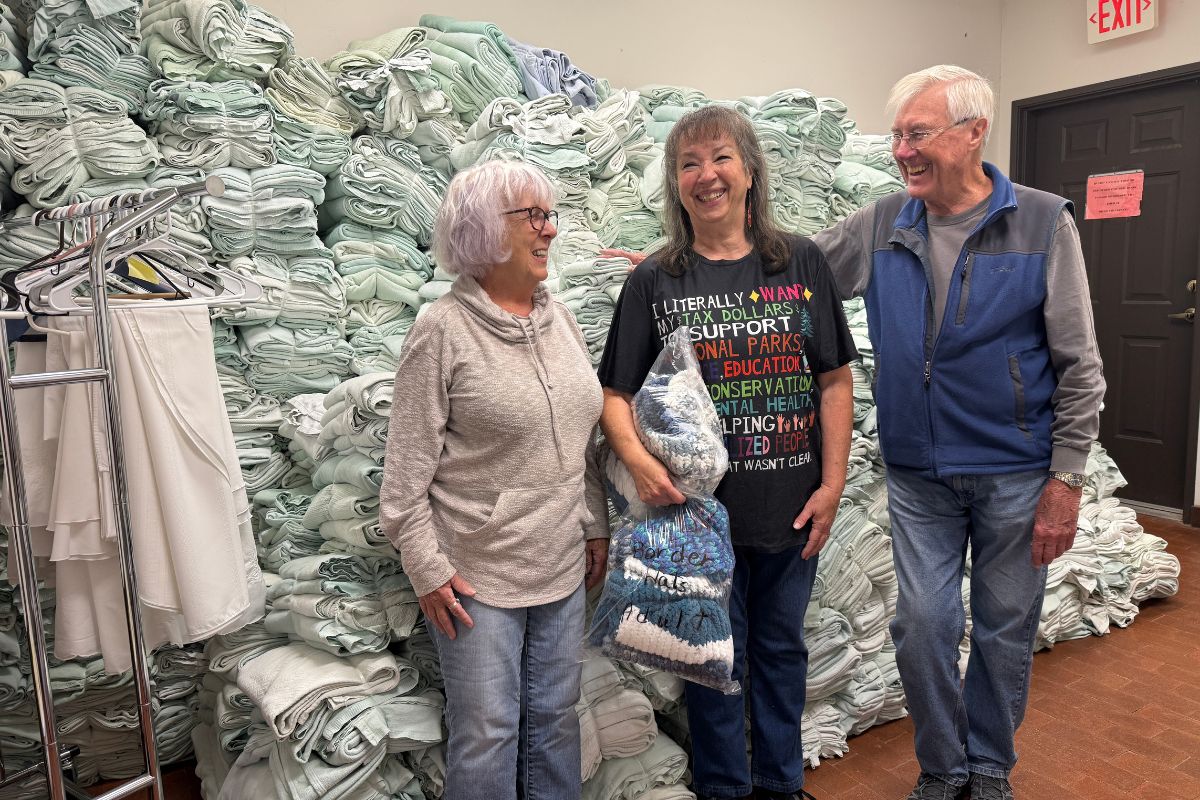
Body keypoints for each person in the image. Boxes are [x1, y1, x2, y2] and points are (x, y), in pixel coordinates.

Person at [813, 65, 1105, 800]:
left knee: (1006, 627)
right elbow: (796, 272)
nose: (901, 151)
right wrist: (693, 267)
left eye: (917, 134)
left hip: (1016, 471)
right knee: (922, 626)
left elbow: (1079, 363)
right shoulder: (883, 222)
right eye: (897, 136)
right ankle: (943, 765)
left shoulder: (1041, 222)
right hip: (920, 473)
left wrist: (1066, 480)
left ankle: (989, 765)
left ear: (974, 132)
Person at [598, 105, 858, 800]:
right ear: (675, 183)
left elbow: (834, 380)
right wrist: (642, 466)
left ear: (748, 171)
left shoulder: (798, 261)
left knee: (781, 652)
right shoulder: (656, 280)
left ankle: (780, 783)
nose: (706, 175)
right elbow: (615, 395)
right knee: (711, 662)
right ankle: (723, 789)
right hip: (696, 517)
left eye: (719, 158)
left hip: (791, 507)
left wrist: (832, 484)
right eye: (688, 163)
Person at [379, 159, 609, 800]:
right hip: (476, 577)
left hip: (560, 561)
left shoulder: (560, 319)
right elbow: (403, 481)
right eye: (533, 216)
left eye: (549, 215)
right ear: (482, 227)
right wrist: (428, 569)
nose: (550, 229)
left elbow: (582, 440)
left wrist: (594, 523)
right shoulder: (441, 330)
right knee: (488, 732)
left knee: (556, 720)